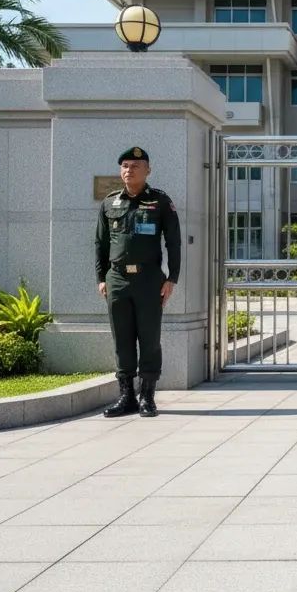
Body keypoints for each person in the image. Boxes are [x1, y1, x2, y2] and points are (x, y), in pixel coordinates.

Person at [95, 146, 181, 418]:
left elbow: (174, 242)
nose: (128, 170)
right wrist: (101, 278)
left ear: (147, 170)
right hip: (117, 279)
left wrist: (172, 278)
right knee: (122, 339)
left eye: (135, 165)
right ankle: (126, 397)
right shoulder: (110, 203)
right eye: (125, 166)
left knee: (149, 338)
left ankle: (147, 397)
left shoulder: (160, 202)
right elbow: (100, 243)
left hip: (149, 279)